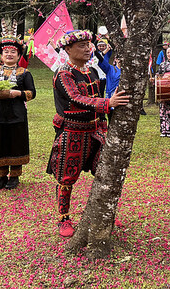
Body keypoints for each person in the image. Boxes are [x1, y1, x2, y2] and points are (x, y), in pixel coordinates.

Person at [47, 30, 130, 237]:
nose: (87, 48)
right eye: (81, 45)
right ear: (68, 49)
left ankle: (102, 212)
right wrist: (107, 104)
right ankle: (63, 217)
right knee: (67, 177)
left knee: (104, 172)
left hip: (95, 131)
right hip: (73, 133)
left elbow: (96, 95)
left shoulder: (92, 70)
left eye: (88, 44)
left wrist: (104, 123)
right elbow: (75, 98)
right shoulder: (64, 73)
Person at [0, 34, 36, 190]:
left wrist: (17, 93)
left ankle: (15, 176)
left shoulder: (24, 73)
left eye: (13, 52)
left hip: (16, 115)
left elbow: (32, 93)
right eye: (6, 52)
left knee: (15, 144)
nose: (9, 55)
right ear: (1, 55)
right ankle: (1, 176)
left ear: (18, 55)